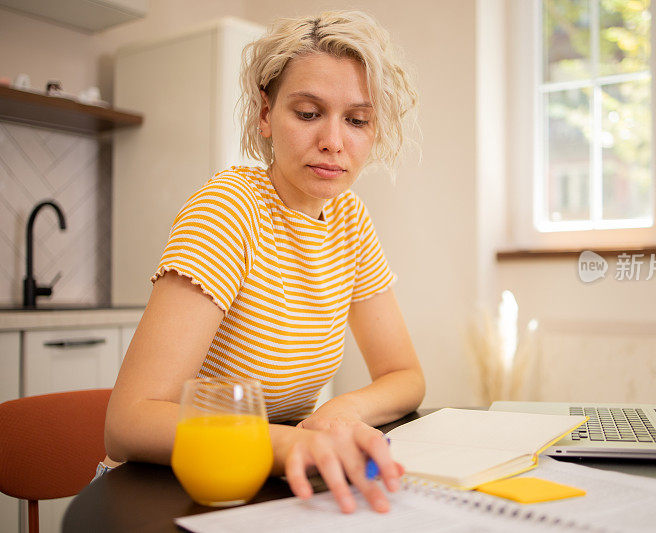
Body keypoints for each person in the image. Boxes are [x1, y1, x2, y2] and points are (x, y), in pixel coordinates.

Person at [101, 10, 425, 514]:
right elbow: (128, 423)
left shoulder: (350, 219)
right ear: (266, 115)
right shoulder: (230, 208)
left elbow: (405, 375)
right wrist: (288, 443)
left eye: (357, 120)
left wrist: (339, 412)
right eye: (309, 113)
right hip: (172, 488)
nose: (334, 142)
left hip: (266, 483)